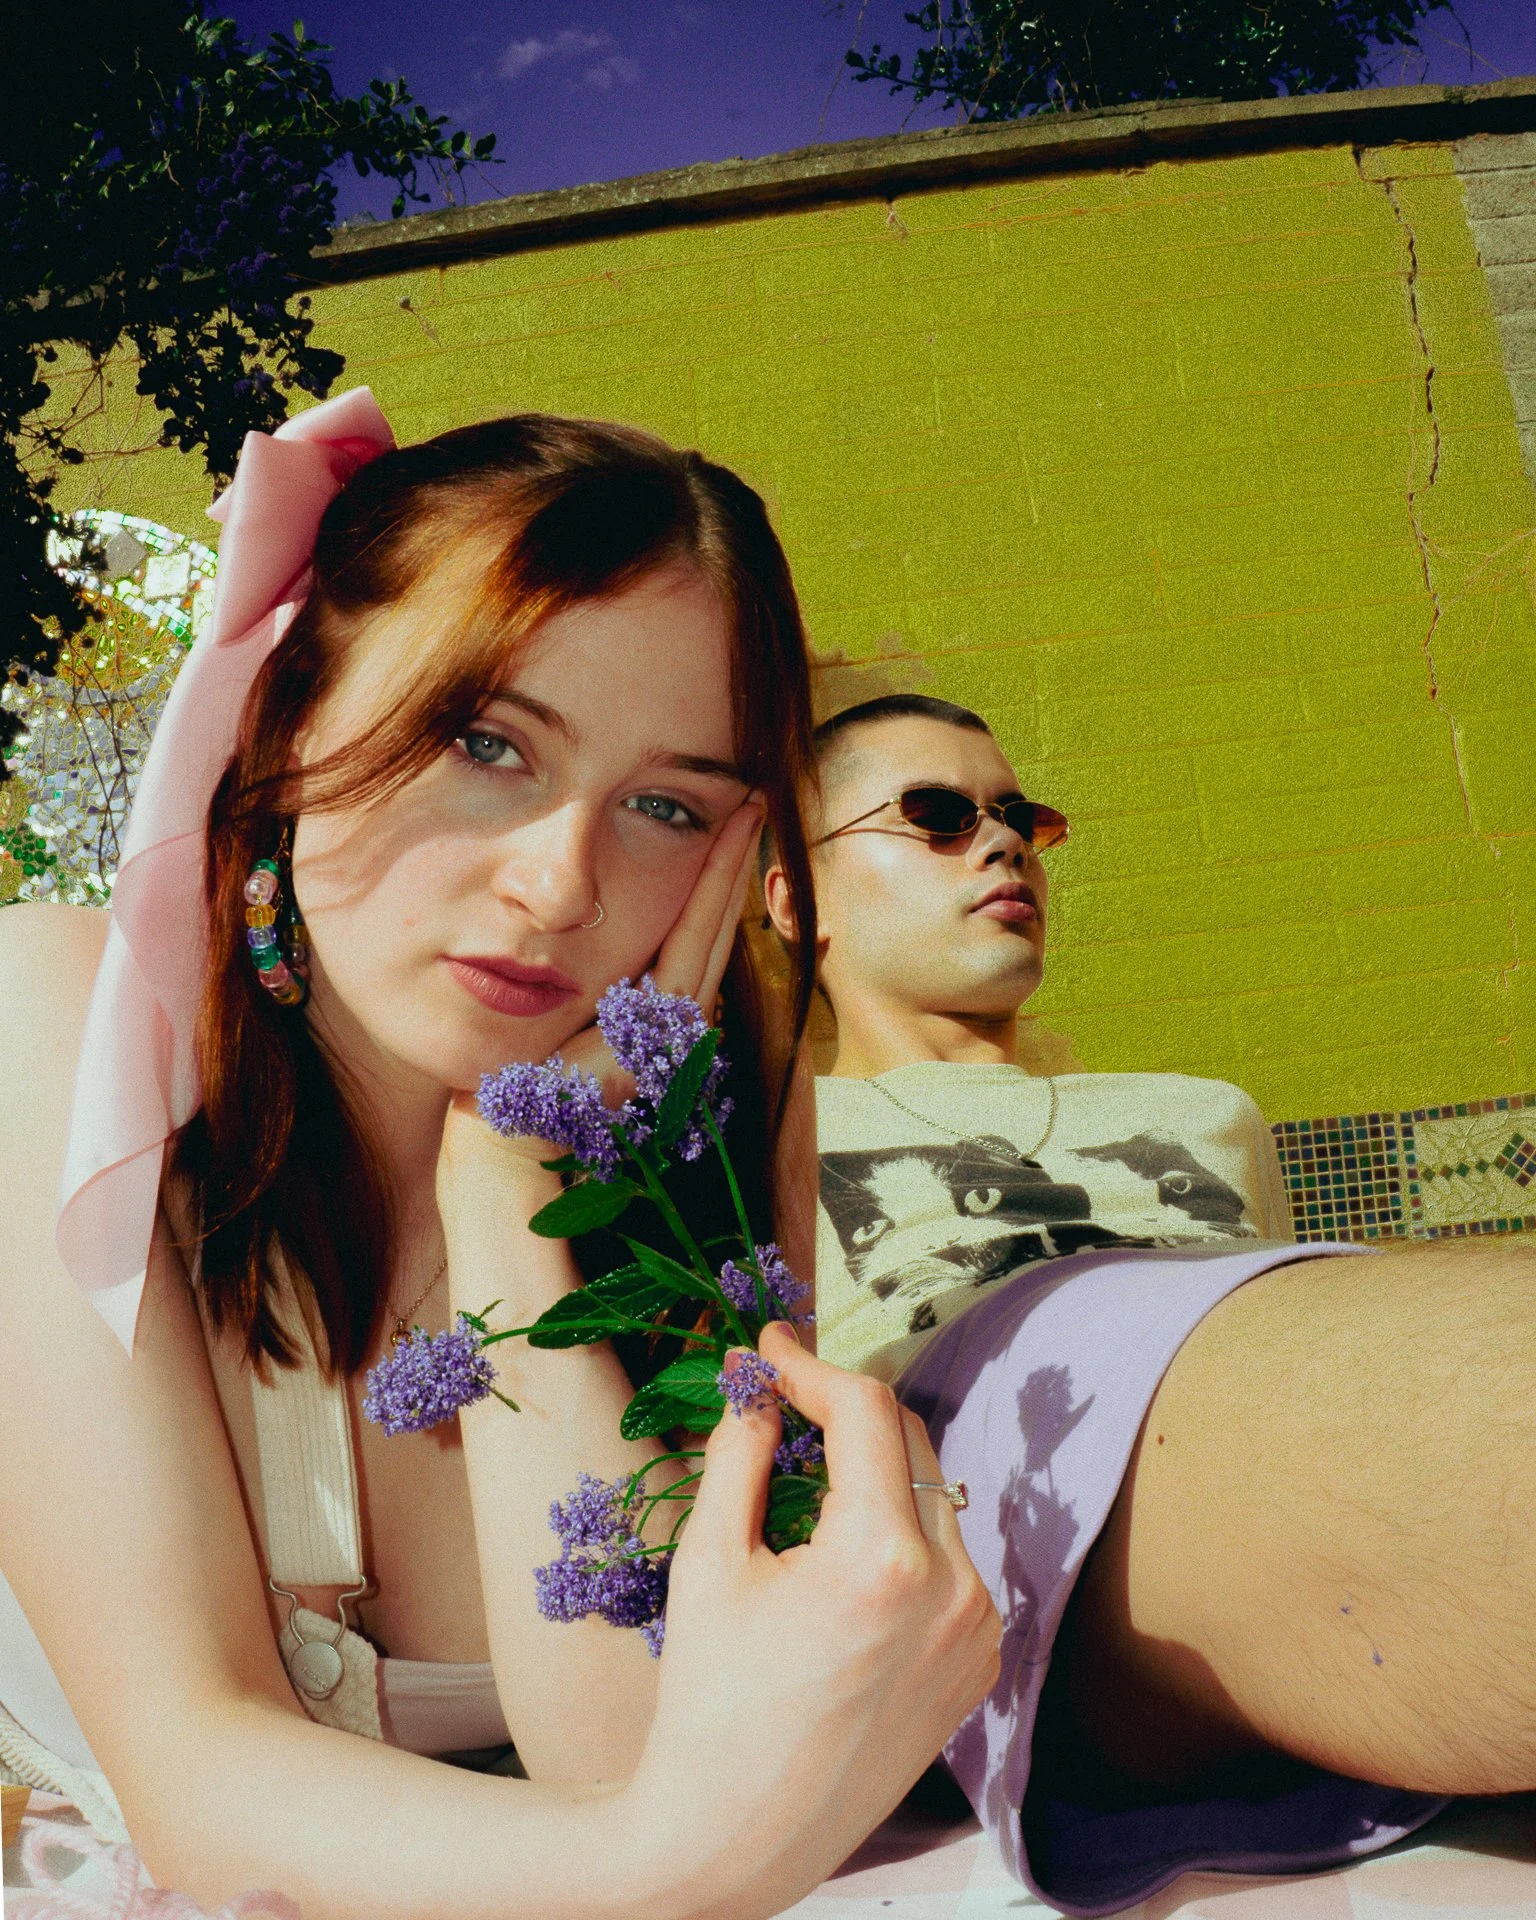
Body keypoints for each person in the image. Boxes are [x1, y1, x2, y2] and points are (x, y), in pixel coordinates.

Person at [0, 395, 1000, 1920]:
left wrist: (515, 1191)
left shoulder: (710, 1127)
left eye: (667, 805)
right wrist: (674, 1861)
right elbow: (198, 1783)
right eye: (486, 742)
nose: (559, 882)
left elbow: (628, 1746)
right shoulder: (63, 1030)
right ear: (289, 715)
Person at [763, 692, 1536, 1916]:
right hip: (1004, 1456)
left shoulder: (1205, 1113)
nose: (1003, 842)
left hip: (1237, 1415)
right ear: (791, 900)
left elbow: (1295, 1338)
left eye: (1019, 815)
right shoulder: (767, 1138)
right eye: (937, 816)